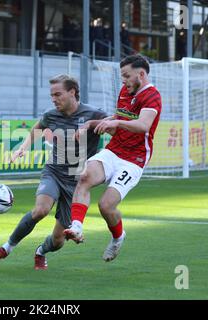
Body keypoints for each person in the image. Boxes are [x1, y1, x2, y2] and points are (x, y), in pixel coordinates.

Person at [0, 74, 108, 270]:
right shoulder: (51, 114)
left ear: (72, 92)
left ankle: (41, 251)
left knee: (58, 240)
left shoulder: (94, 114)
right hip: (54, 171)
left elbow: (115, 125)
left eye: (58, 94)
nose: (54, 99)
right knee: (41, 210)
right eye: (52, 95)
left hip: (77, 183)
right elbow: (38, 128)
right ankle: (6, 248)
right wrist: (23, 147)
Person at [63, 54, 162, 263]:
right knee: (84, 176)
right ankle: (76, 228)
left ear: (141, 74)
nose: (123, 80)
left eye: (126, 76)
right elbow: (118, 118)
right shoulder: (125, 91)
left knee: (106, 205)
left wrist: (116, 124)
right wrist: (91, 124)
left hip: (134, 159)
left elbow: (143, 125)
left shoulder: (152, 96)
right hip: (114, 150)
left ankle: (118, 237)